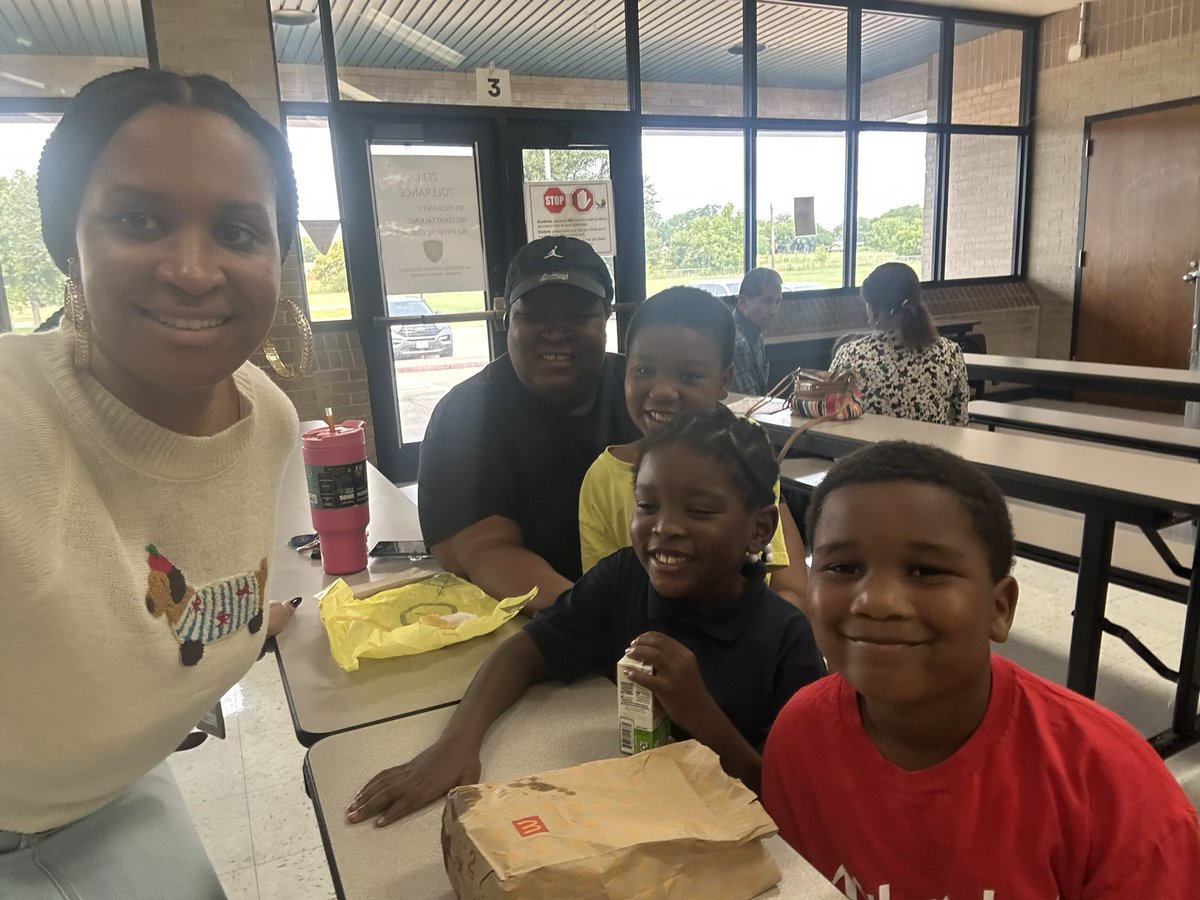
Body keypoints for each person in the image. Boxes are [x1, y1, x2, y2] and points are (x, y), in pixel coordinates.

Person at [0, 69, 306, 898]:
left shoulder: (266, 417)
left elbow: (177, 590)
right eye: (139, 219)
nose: (193, 270)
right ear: (69, 239)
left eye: (238, 230)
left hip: (124, 795)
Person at [348, 407, 826, 826]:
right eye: (647, 505)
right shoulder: (625, 579)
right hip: (630, 815)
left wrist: (697, 711)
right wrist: (458, 740)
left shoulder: (785, 638)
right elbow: (525, 649)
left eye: (699, 510)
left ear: (759, 528)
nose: (664, 528)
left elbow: (788, 797)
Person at [762, 441, 1200, 897]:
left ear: (999, 607)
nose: (876, 601)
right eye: (844, 566)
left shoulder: (1114, 791)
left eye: (925, 571)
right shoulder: (800, 738)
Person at [418, 236, 639, 610]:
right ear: (508, 322)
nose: (555, 331)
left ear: (606, 317)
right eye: (534, 316)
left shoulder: (644, 393)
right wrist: (595, 616)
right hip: (540, 621)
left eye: (578, 316)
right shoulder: (465, 416)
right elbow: (486, 551)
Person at [578, 286, 808, 607]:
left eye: (689, 375)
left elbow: (770, 566)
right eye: (644, 370)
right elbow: (602, 603)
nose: (663, 391)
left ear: (723, 382)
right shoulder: (604, 478)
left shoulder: (744, 449)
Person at [829, 262, 968, 425]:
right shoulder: (951, 353)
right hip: (932, 450)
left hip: (871, 450)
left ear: (875, 311)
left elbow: (830, 414)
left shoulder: (850, 354)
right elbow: (960, 420)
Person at [729, 267, 783, 396]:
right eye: (767, 301)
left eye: (778, 302)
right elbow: (747, 402)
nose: (774, 310)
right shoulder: (736, 343)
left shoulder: (755, 332)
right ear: (742, 302)